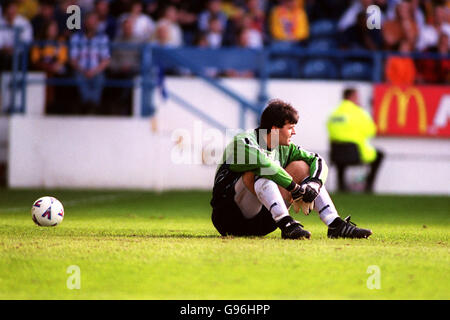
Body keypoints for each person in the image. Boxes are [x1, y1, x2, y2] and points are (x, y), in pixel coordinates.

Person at [210, 99, 373, 240]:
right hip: (228, 219)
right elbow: (265, 164)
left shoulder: (284, 148)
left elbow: (317, 160)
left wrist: (313, 185)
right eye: (290, 127)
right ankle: (286, 222)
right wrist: (294, 188)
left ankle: (334, 223)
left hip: (265, 222)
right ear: (274, 129)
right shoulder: (243, 141)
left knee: (302, 166)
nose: (294, 132)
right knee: (259, 169)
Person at [327, 88, 384, 193]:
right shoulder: (359, 112)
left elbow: (331, 131)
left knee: (341, 161)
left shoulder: (334, 113)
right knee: (379, 155)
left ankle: (341, 186)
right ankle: (368, 186)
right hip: (355, 153)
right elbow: (371, 131)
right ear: (353, 97)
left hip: (336, 154)